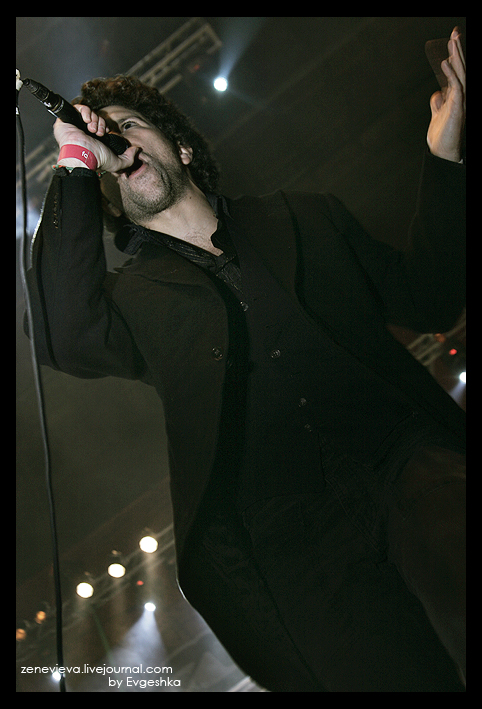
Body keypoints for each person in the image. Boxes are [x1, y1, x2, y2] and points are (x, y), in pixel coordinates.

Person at [26, 28, 466, 691]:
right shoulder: (131, 303)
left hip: (402, 457)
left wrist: (445, 157)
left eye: (127, 126)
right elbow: (59, 329)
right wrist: (75, 160)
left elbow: (430, 295)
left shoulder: (303, 219)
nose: (112, 140)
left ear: (179, 146)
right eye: (102, 139)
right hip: (294, 545)